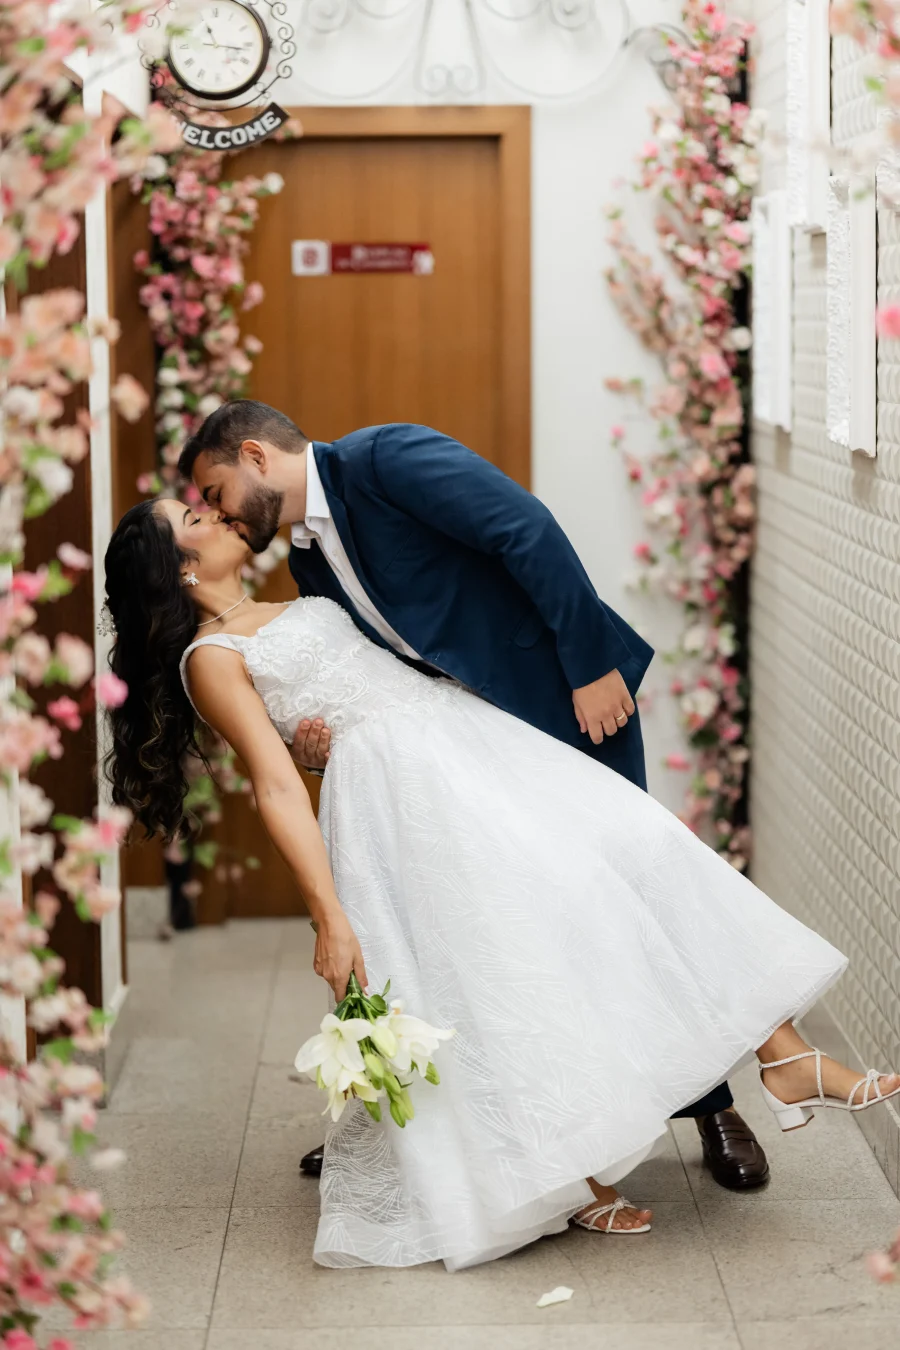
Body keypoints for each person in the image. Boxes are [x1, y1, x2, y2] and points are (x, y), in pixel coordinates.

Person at [104, 495, 900, 1270]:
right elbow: (276, 787)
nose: (211, 514)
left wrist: (329, 741)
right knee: (498, 960)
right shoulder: (211, 658)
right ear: (174, 571)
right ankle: (564, 1169)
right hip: (404, 798)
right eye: (192, 519)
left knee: (642, 846)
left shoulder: (293, 599)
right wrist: (329, 915)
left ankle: (782, 1050)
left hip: (469, 743)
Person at [177, 401, 769, 1192]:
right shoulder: (309, 565)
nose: (216, 512)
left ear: (253, 455)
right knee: (510, 931)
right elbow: (385, 672)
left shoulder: (384, 458)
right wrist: (319, 741)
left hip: (567, 703)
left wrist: (589, 668)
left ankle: (713, 1106)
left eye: (213, 491)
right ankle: (458, 1123)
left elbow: (524, 528)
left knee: (625, 902)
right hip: (471, 745)